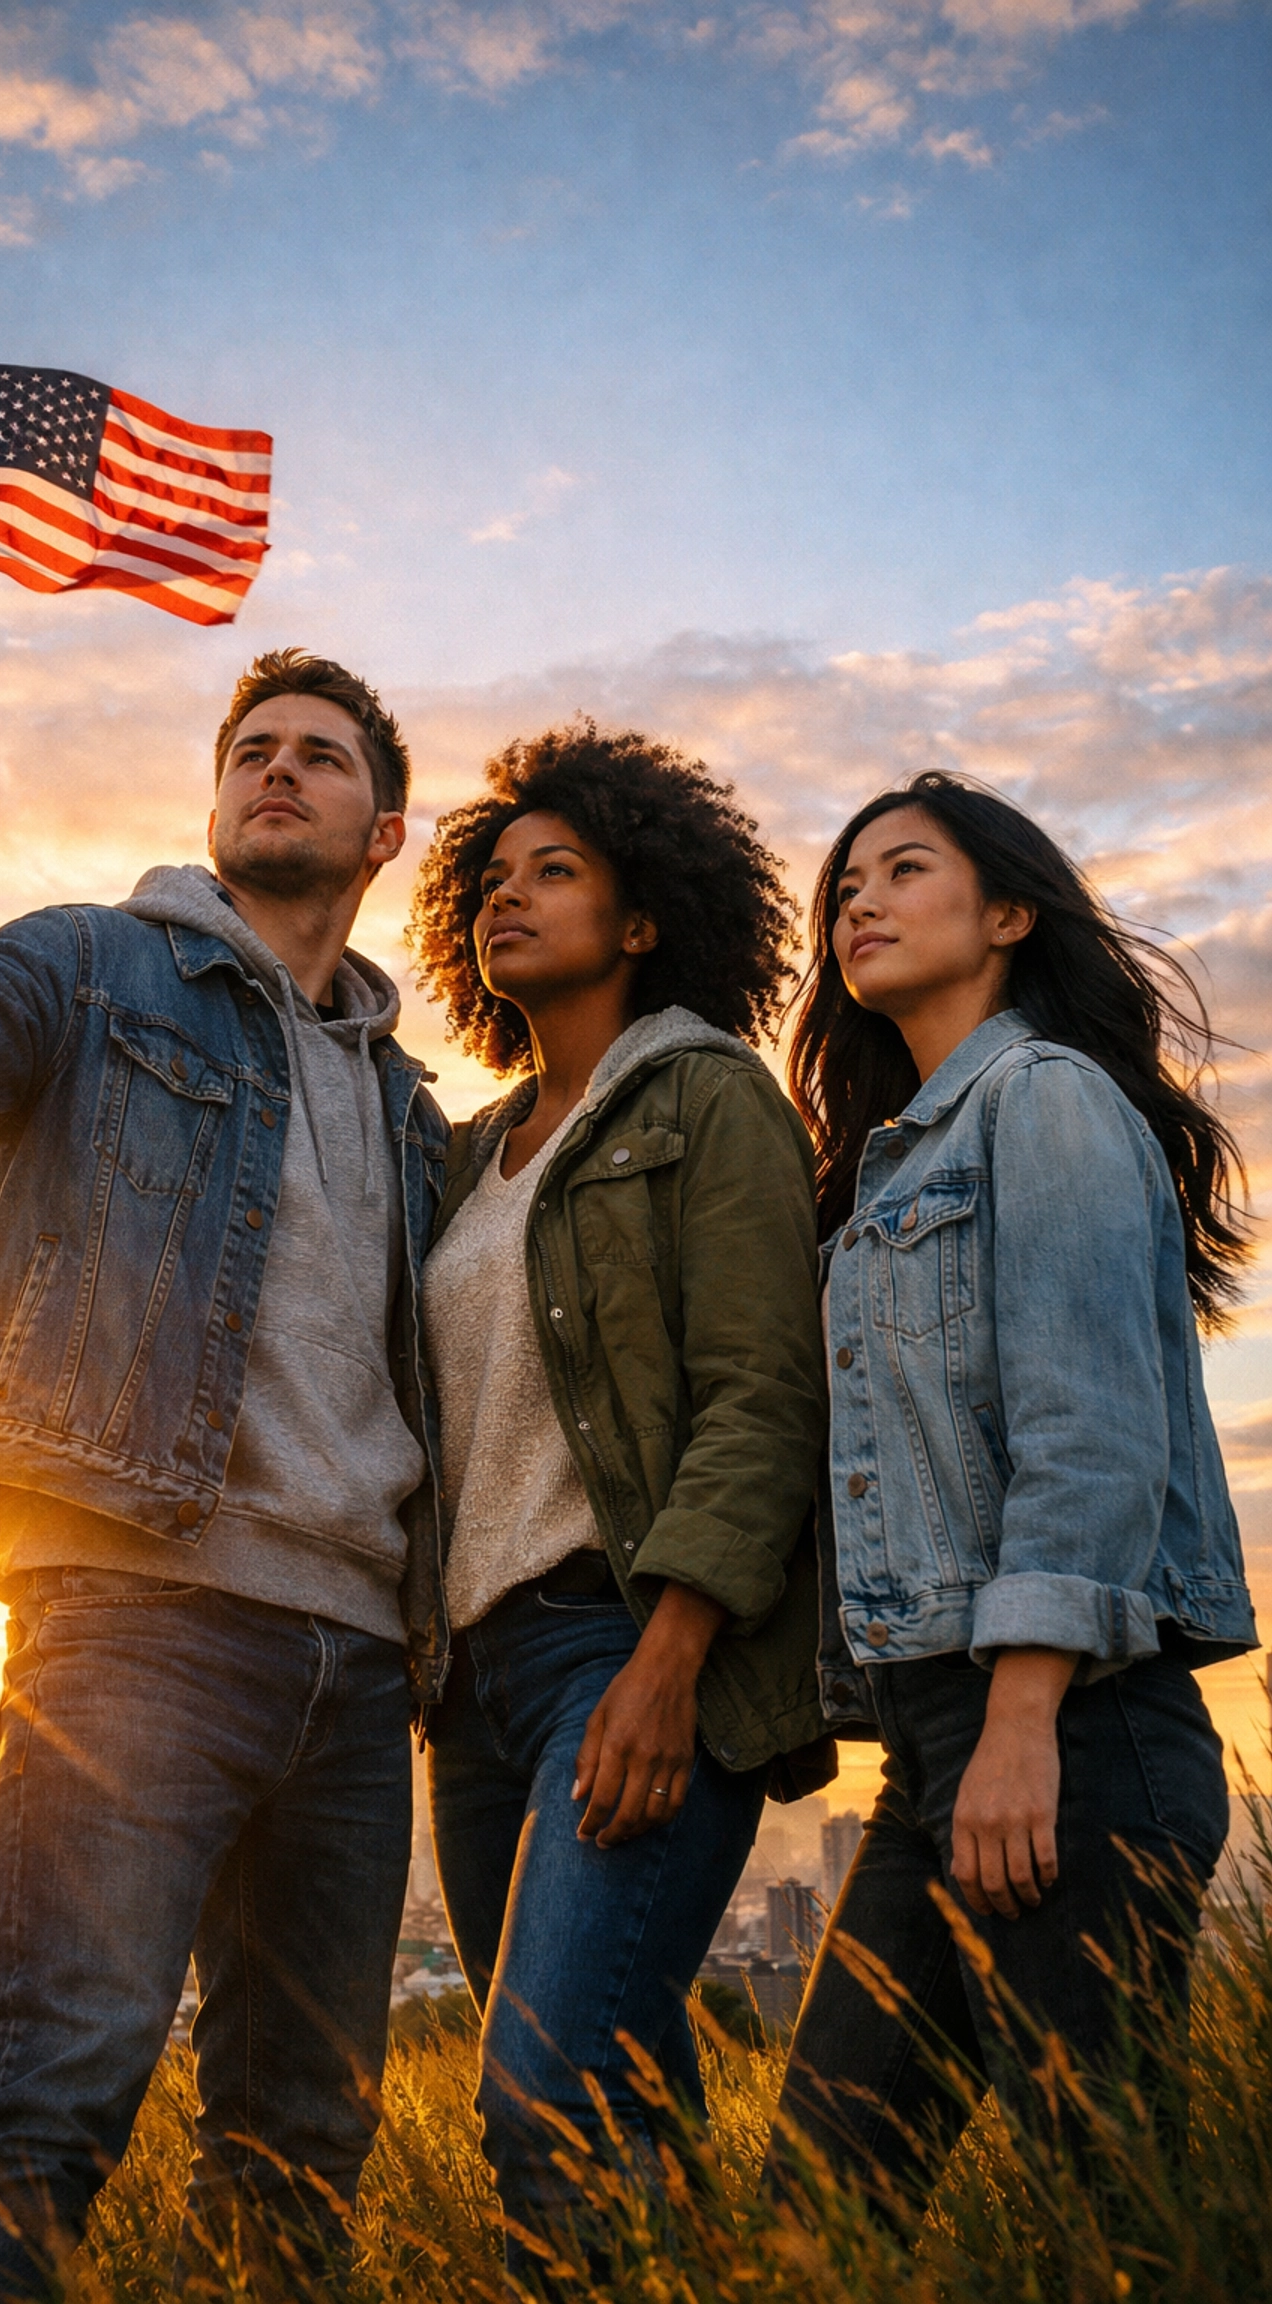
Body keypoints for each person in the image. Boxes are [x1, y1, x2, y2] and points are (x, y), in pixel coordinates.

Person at [0, 610, 451, 2301]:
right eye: (250, 751)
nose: (274, 770)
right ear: (217, 803)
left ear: (383, 836)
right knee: (51, 2090)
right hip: (139, 1618)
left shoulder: (410, 1107)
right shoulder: (94, 965)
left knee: (302, 2135)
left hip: (364, 1669)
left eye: (318, 755)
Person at [769, 768, 1256, 2220]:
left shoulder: (1042, 1098)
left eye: (905, 870)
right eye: (844, 883)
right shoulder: (888, 1169)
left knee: (1102, 2212)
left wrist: (1025, 1717)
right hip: (941, 1754)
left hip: (1073, 1735)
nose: (859, 899)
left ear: (1009, 913)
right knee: (815, 2206)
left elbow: (1088, 1433)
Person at [406, 723, 830, 2266]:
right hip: (471, 1691)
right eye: (490, 879)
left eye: (554, 871)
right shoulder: (466, 1159)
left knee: (541, 2093)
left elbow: (764, 1397)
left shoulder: (706, 1100)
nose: (503, 899)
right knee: (628, 2094)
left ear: (641, 919)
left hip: (623, 1648)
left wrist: (668, 1660)